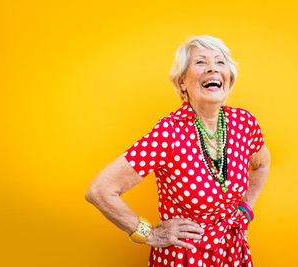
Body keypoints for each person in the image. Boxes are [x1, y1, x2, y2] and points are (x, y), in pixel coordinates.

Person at [85, 35, 271, 267]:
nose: (212, 68)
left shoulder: (244, 122)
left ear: (229, 78)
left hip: (232, 252)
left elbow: (262, 163)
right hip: (186, 257)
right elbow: (100, 190)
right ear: (182, 82)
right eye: (201, 62)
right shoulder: (169, 133)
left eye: (220, 62)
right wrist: (148, 234)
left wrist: (246, 208)